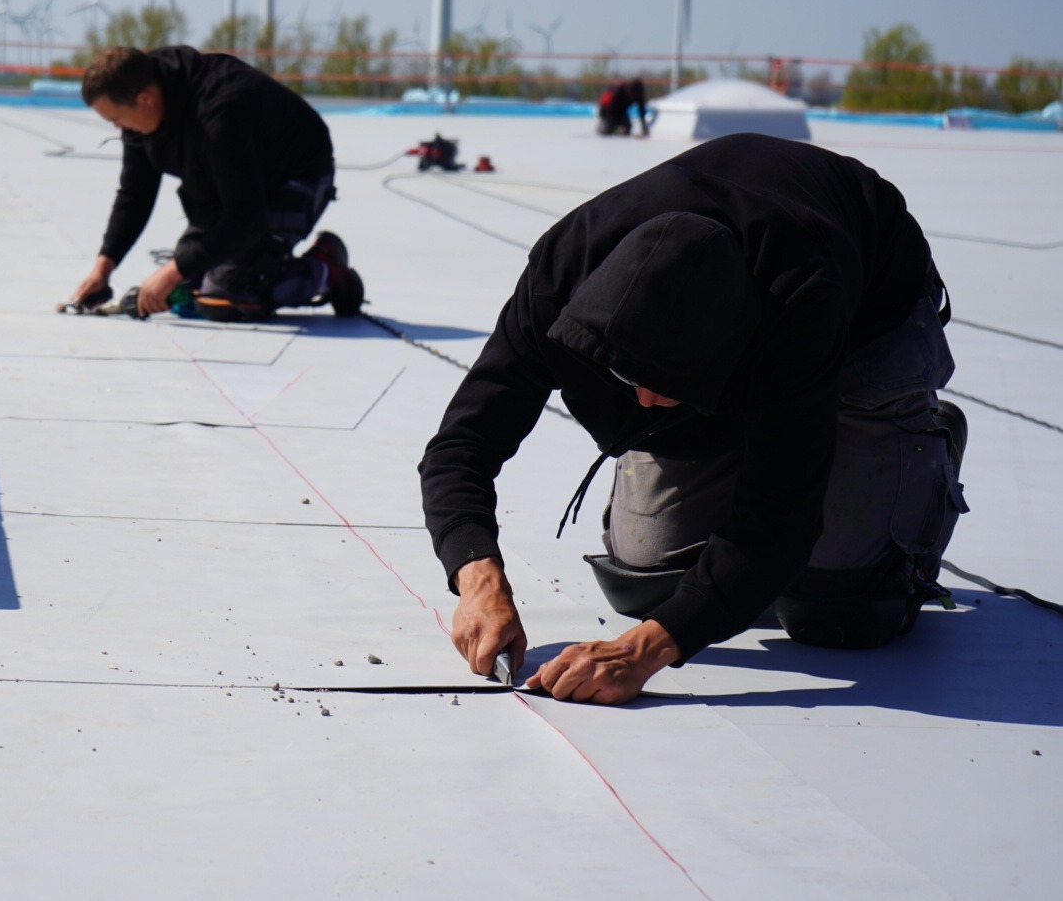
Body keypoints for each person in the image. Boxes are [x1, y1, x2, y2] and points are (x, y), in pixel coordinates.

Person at [419, 133, 969, 705]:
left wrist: (643, 652)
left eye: (672, 387)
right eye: (630, 378)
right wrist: (477, 578)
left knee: (843, 611)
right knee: (646, 582)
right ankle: (732, 435)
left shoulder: (801, 302)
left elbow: (781, 516)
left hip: (870, 311)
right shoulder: (560, 278)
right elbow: (462, 443)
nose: (647, 403)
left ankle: (921, 450)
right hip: (746, 332)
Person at [68, 45, 363, 322]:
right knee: (186, 290)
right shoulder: (140, 98)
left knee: (228, 293)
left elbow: (246, 217)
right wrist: (103, 268)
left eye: (116, 119)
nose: (117, 128)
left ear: (145, 98)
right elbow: (136, 193)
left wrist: (173, 270)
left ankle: (326, 269)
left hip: (294, 179)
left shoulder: (219, 111)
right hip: (234, 189)